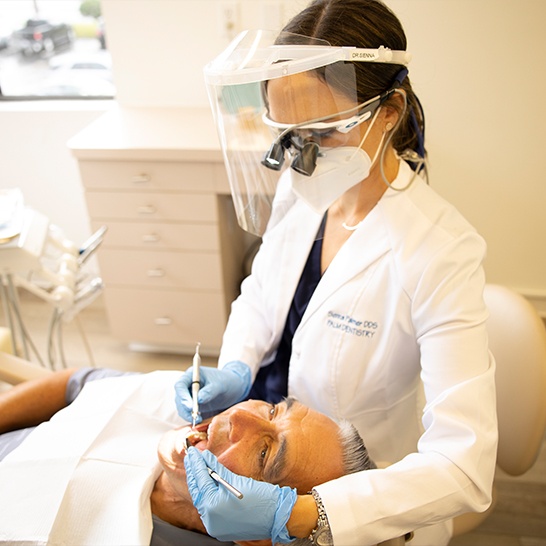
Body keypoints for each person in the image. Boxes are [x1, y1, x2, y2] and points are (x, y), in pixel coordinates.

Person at [174, 1, 498, 545]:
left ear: (389, 111)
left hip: (356, 503)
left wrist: (300, 515)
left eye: (323, 131)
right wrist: (235, 365)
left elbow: (463, 468)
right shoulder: (303, 189)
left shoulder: (442, 251)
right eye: (290, 134)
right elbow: (262, 293)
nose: (303, 155)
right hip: (256, 454)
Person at [0, 367, 375, 546]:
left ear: (258, 533)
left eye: (265, 452)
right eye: (274, 410)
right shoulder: (178, 400)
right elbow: (72, 384)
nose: (238, 415)